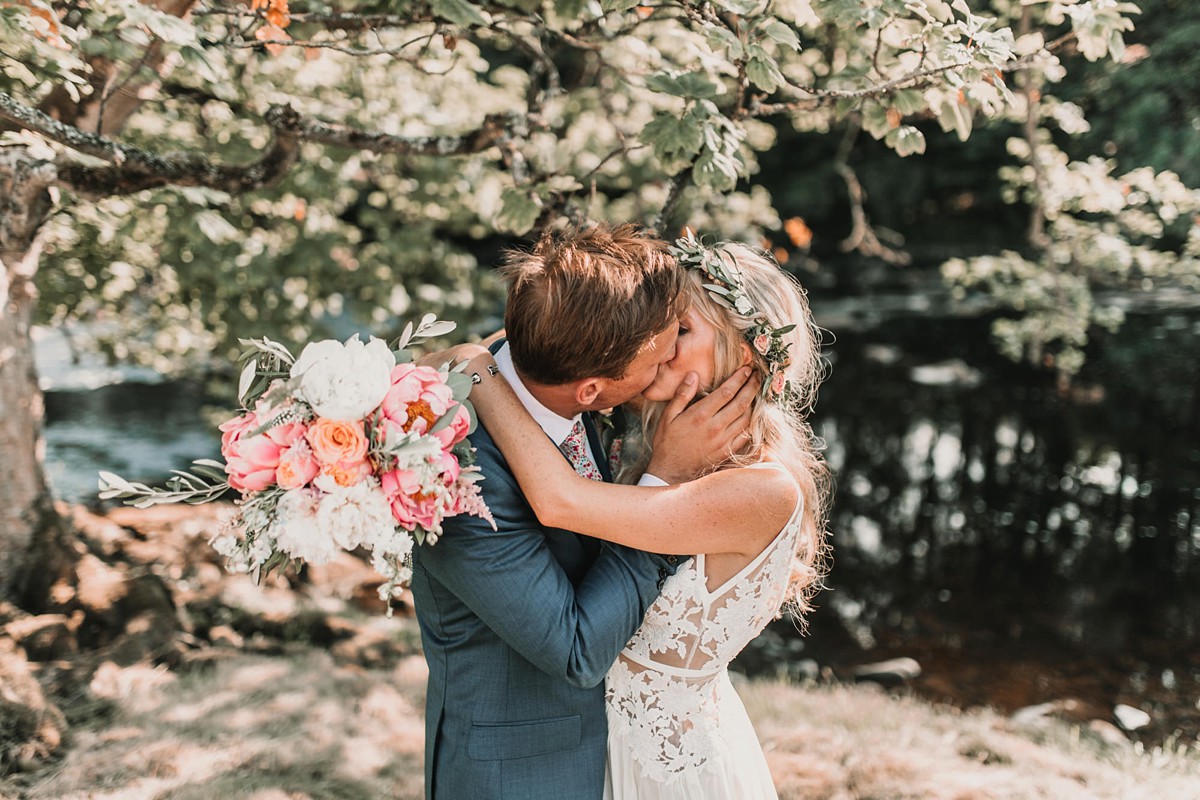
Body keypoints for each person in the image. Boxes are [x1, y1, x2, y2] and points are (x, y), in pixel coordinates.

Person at [452, 234, 831, 799]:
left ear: (743, 357)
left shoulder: (761, 490)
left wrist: (473, 369)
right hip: (592, 757)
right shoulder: (636, 430)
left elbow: (561, 501)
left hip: (670, 771)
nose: (658, 344)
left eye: (682, 330)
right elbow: (550, 347)